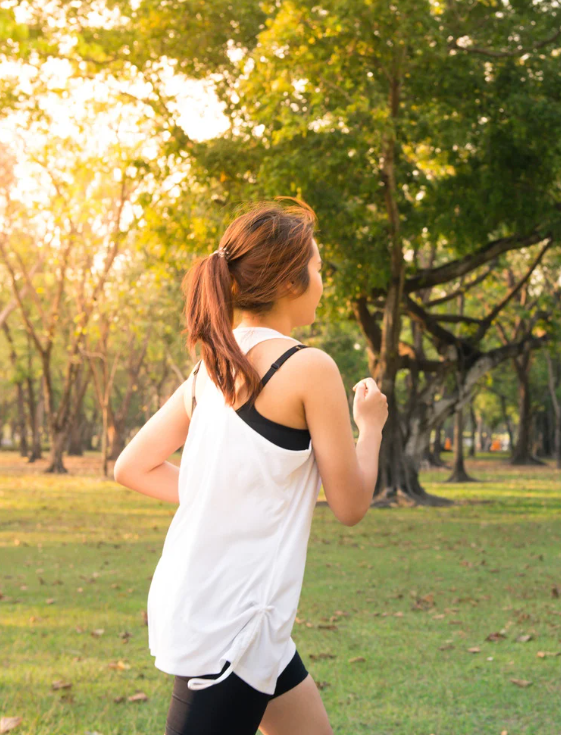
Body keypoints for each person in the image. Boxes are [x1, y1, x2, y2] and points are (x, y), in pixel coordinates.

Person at [113, 198, 388, 735]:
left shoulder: (210, 368)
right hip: (231, 627)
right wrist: (371, 427)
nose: (321, 281)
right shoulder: (308, 367)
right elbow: (351, 504)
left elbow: (133, 467)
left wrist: (222, 495)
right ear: (289, 281)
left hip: (238, 617)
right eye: (317, 269)